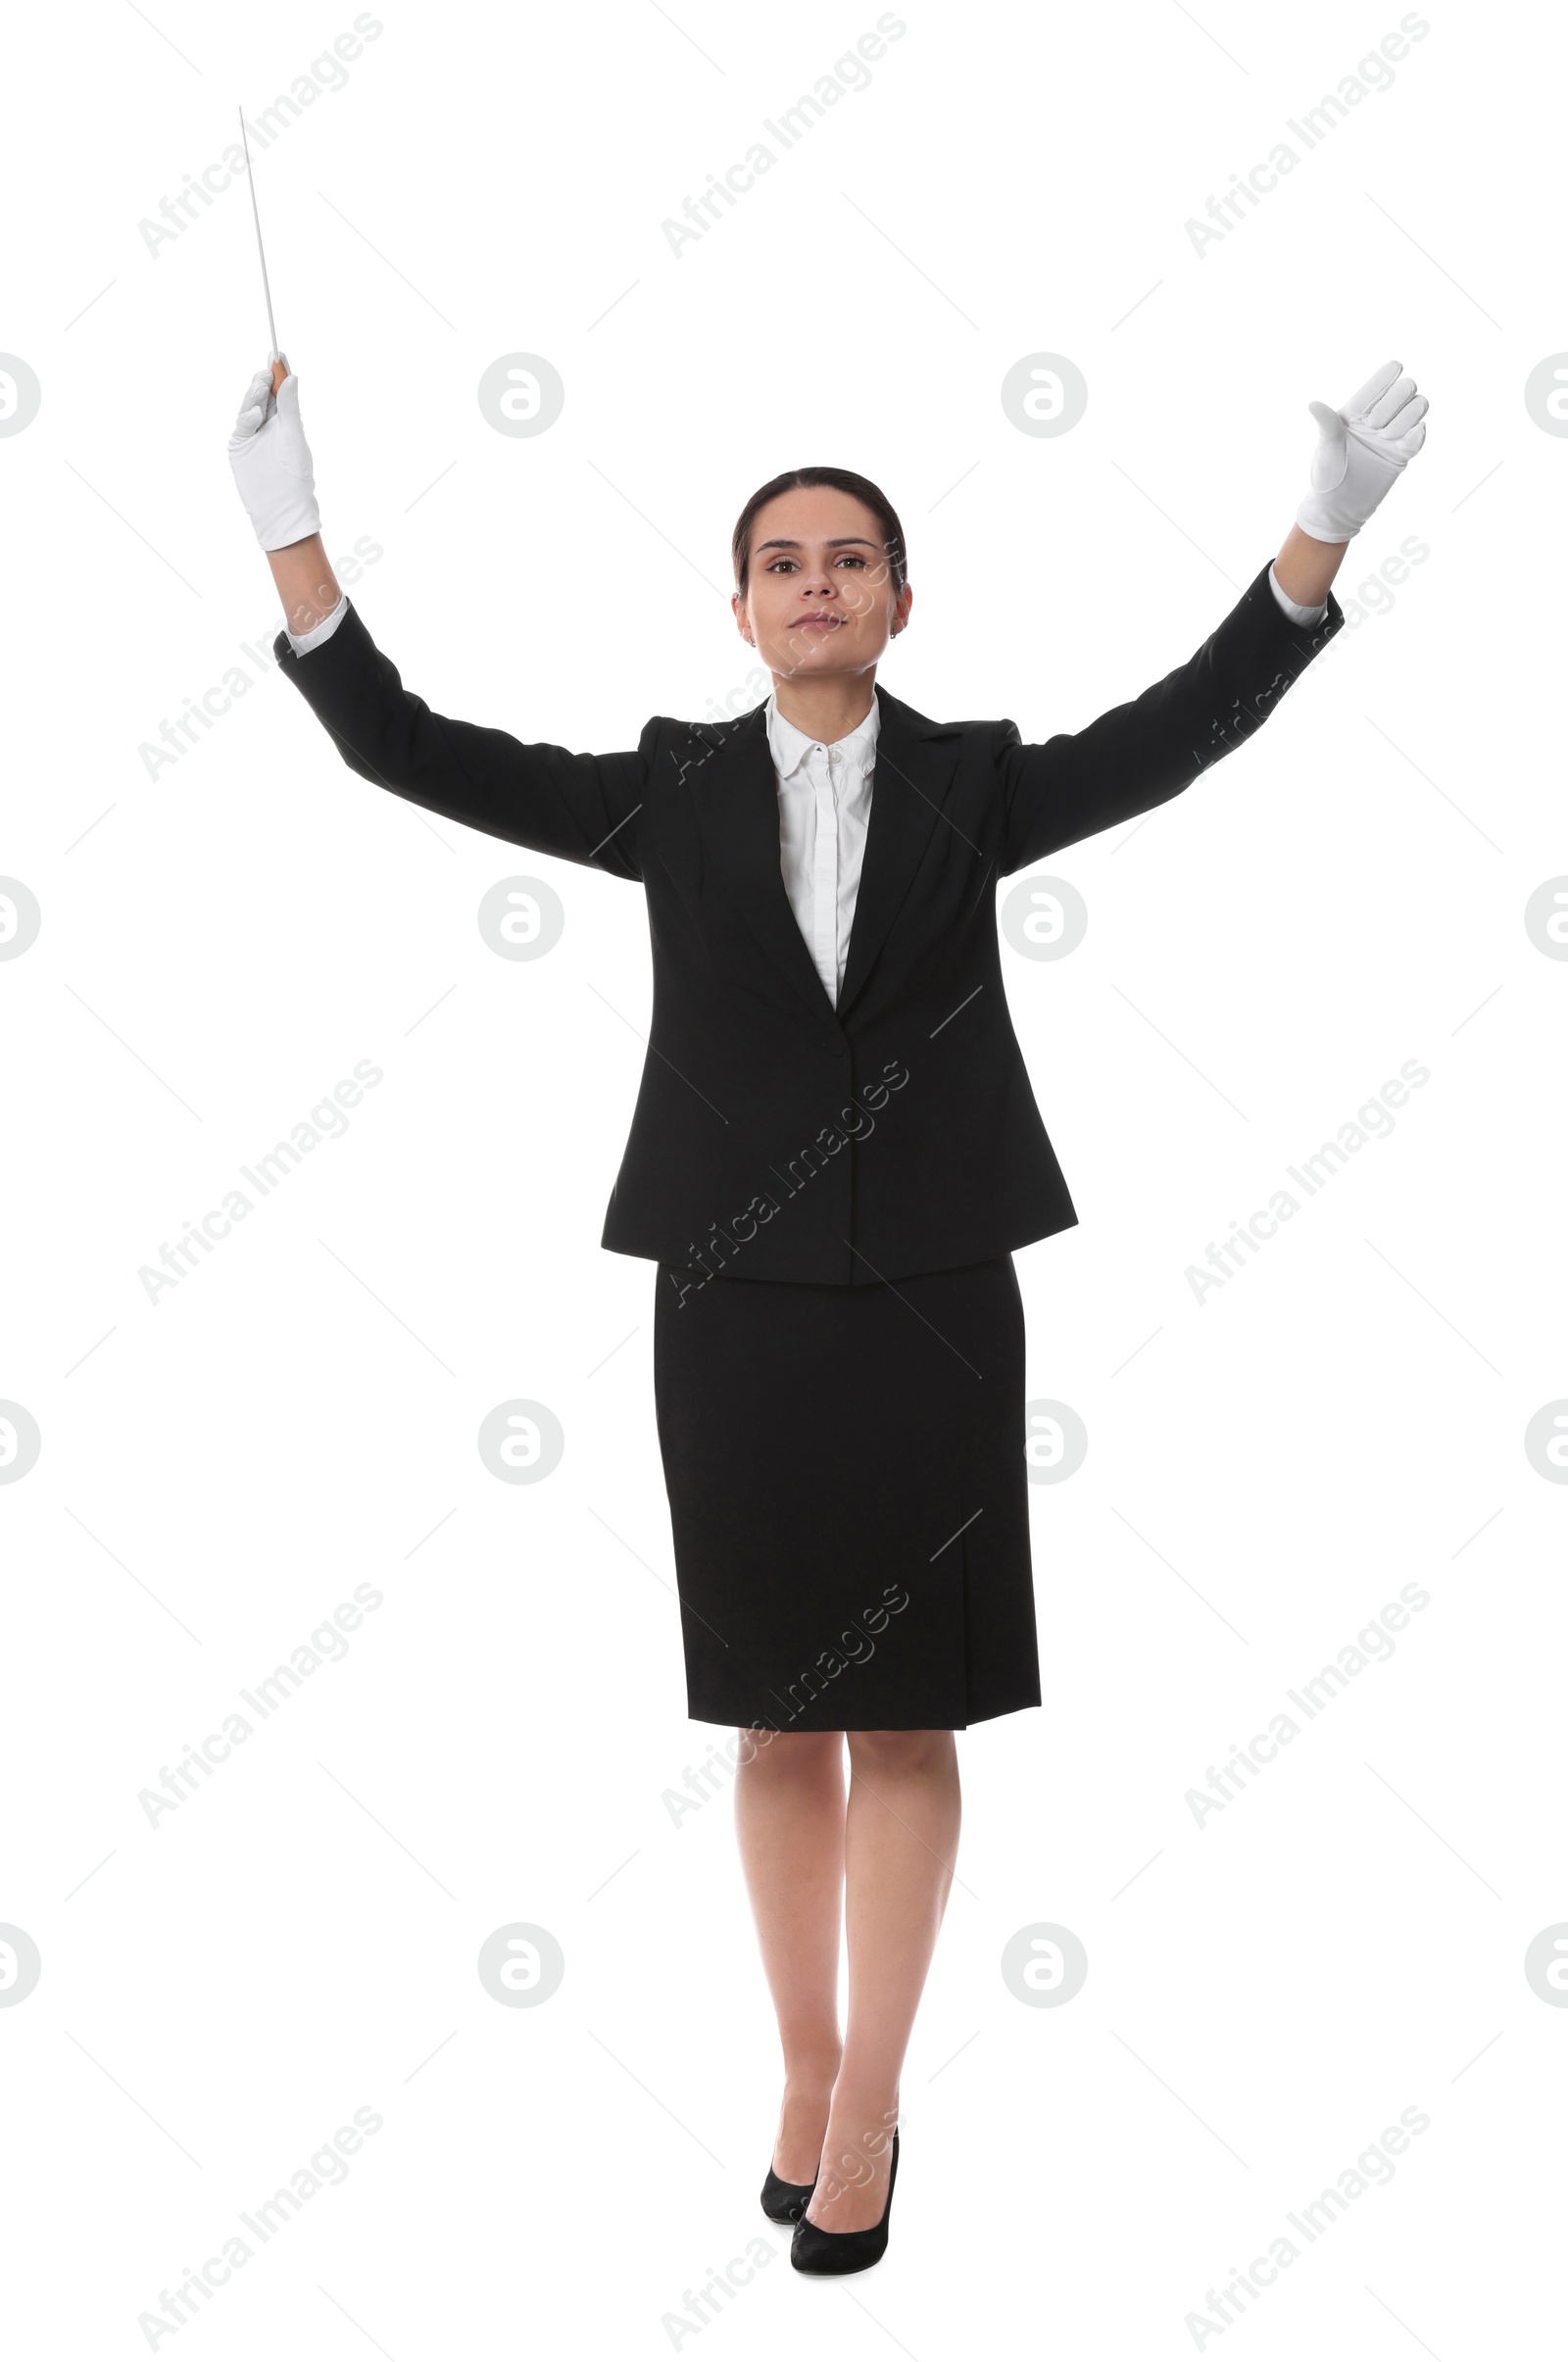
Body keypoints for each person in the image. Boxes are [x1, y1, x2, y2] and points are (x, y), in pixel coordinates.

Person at [229, 355, 1428, 2274]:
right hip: (734, 1300)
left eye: (847, 557)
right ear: (736, 607)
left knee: (911, 1708)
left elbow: (1183, 727)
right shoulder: (671, 789)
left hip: (937, 1299)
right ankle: (801, 2070)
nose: (813, 583)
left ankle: (872, 2099)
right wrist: (291, 530)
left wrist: (1320, 529)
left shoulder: (972, 786)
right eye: (779, 560)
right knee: (777, 1717)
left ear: (894, 602)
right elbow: (401, 744)